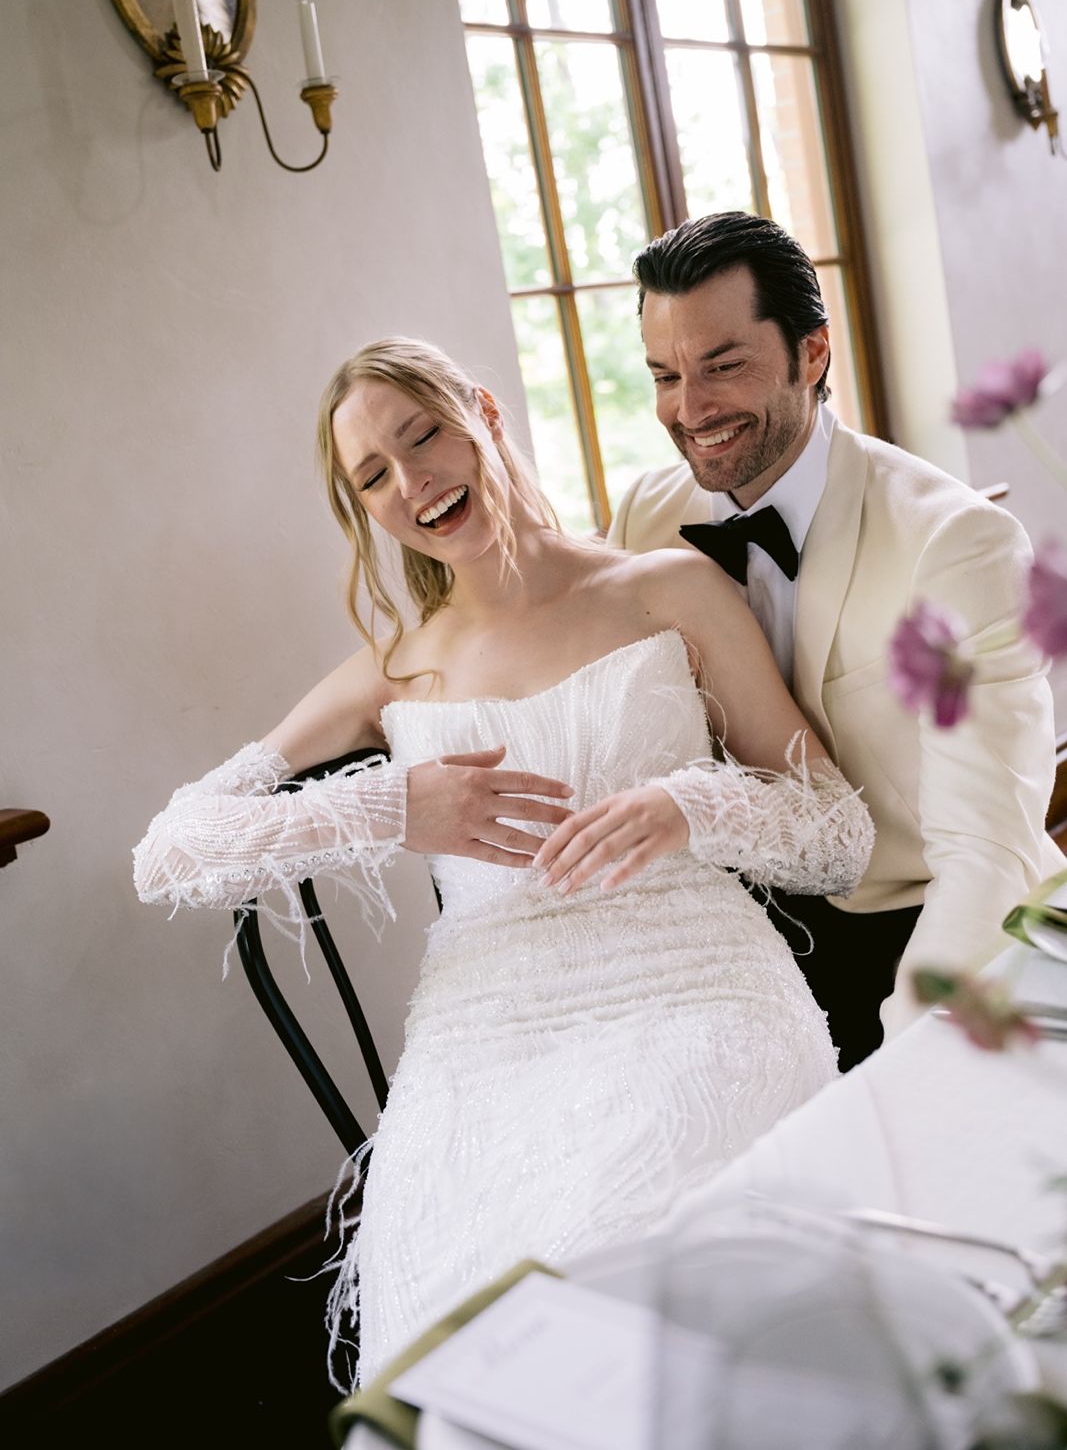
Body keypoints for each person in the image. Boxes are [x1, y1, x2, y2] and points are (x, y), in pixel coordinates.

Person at [133, 337, 873, 1386]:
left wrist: (686, 804)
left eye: (422, 435)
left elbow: (837, 831)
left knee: (635, 1227)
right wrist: (393, 802)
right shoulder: (394, 670)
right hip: (490, 1024)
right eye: (374, 476)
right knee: (480, 1289)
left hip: (692, 978)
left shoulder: (667, 588)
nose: (413, 482)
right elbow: (168, 852)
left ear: (478, 409)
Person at [608, 211, 1062, 1070]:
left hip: (914, 923)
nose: (688, 409)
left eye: (722, 366)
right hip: (734, 936)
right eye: (663, 375)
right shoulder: (642, 516)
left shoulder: (956, 545)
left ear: (812, 354)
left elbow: (983, 852)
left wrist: (905, 1064)